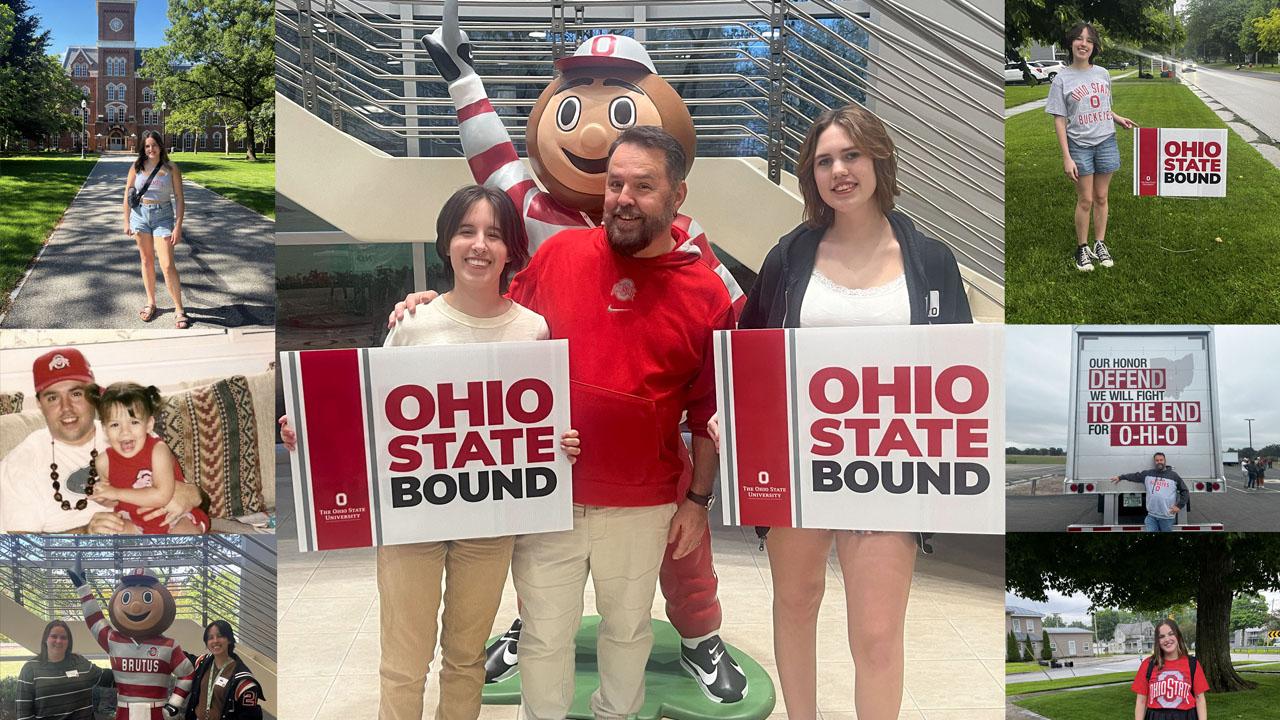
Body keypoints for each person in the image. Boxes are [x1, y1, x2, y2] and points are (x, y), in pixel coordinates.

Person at [423, 5, 748, 698]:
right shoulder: (549, 234)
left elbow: (734, 349)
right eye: (616, 184)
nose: (619, 189)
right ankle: (528, 633)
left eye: (640, 184)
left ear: (673, 186)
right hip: (551, 476)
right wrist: (433, 310)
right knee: (544, 607)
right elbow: (495, 303)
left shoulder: (694, 256)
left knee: (665, 581)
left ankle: (700, 634)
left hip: (653, 484)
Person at [282, 185, 582, 720]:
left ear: (512, 248)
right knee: (403, 664)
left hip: (490, 522)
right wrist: (312, 432)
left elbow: (541, 423)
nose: (479, 245)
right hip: (410, 522)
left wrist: (561, 444)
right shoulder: (412, 324)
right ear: (446, 242)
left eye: (493, 234)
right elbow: (373, 418)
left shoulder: (534, 331)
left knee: (467, 661)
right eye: (466, 231)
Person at [735, 103, 970, 719]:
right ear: (811, 176)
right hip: (799, 459)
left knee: (876, 633)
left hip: (891, 466)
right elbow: (752, 350)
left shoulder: (933, 262)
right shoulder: (788, 259)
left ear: (879, 160)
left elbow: (959, 369)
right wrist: (732, 415)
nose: (839, 170)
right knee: (796, 602)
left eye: (851, 155)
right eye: (824, 161)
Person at [0, 348, 206, 534]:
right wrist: (85, 533)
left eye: (76, 394)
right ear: (39, 403)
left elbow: (199, 503)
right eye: (53, 398)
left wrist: (193, 494)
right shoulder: (21, 463)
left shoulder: (131, 435)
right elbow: (24, 550)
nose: (66, 408)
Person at [1045, 22, 1137, 272]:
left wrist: (1116, 118)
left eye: (1088, 40)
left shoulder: (1103, 74)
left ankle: (1100, 243)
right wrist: (1067, 157)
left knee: (1102, 196)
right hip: (1080, 145)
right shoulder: (1062, 79)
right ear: (1071, 43)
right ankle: (1082, 248)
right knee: (1085, 199)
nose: (1083, 43)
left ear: (1094, 46)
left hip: (1106, 140)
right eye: (1078, 39)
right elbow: (1059, 119)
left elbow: (1101, 107)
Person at [88, 382, 209, 534]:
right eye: (115, 425)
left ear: (149, 425)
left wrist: (115, 493)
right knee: (111, 531)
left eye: (134, 422)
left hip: (175, 516)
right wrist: (104, 497)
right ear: (105, 430)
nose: (125, 432)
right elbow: (114, 499)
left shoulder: (158, 450)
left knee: (183, 534)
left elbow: (162, 496)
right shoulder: (103, 461)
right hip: (135, 520)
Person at [125, 130, 189, 328]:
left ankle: (179, 308)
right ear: (143, 148)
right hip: (140, 215)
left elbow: (179, 198)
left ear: (161, 146)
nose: (150, 149)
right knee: (146, 260)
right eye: (147, 146)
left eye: (154, 145)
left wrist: (178, 225)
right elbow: (128, 193)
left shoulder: (171, 168)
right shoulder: (136, 167)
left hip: (163, 215)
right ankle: (151, 302)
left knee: (168, 264)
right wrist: (126, 221)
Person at [16, 620, 112, 720]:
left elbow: (106, 677)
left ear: (69, 642)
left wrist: (126, 669)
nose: (59, 641)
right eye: (54, 636)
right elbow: (24, 716)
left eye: (63, 637)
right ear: (45, 639)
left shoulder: (80, 663)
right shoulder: (30, 669)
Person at [185, 621, 265, 720]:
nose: (215, 641)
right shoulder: (202, 663)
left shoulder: (243, 680)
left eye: (220, 636)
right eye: (210, 638)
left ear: (229, 640)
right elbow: (180, 656)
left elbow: (250, 716)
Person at [1131, 619, 1208, 720]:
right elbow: (1141, 701)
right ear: (1157, 641)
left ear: (1178, 636)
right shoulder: (1148, 664)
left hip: (1187, 716)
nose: (1167, 639)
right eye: (1162, 636)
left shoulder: (1192, 664)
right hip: (1156, 716)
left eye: (1171, 634)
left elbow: (1200, 699)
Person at [1110, 452, 1188, 532]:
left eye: (1161, 460)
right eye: (1157, 460)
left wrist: (1179, 506)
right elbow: (1134, 476)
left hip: (1167, 517)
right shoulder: (1148, 474)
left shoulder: (1173, 476)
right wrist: (1121, 477)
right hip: (1151, 517)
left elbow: (1184, 491)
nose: (1159, 462)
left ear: (1165, 461)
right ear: (1154, 462)